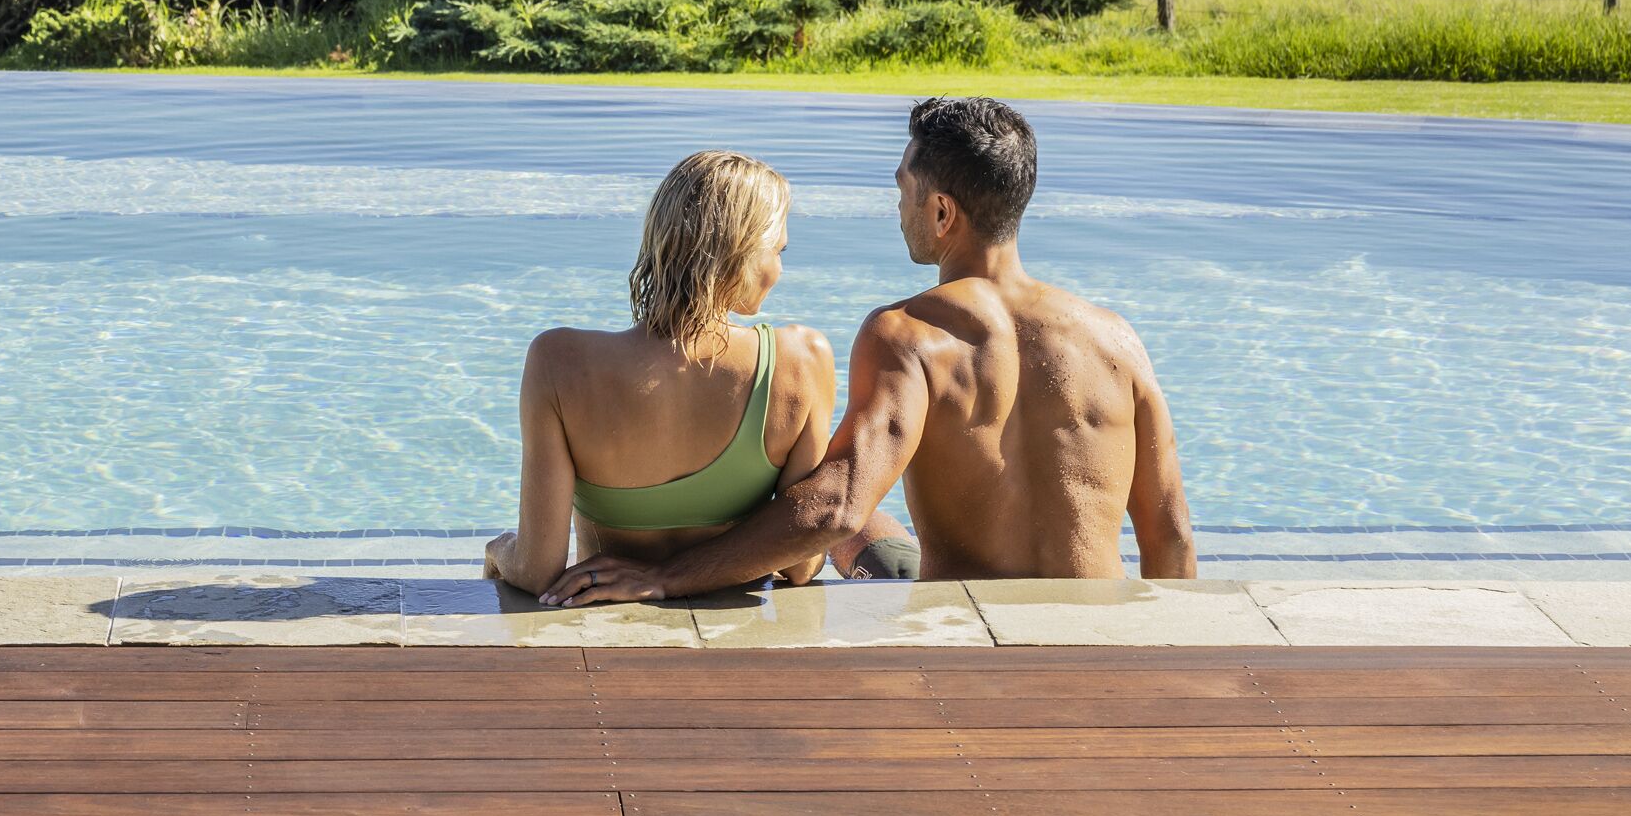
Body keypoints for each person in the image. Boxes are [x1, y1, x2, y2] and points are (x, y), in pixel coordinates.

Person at [542, 96, 1196, 603]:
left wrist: (669, 578)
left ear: (942, 213)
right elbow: (1170, 538)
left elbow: (834, 507)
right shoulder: (1116, 339)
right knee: (862, 517)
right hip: (1099, 636)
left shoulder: (909, 334)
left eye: (902, 188)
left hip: (970, 639)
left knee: (845, 510)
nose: (897, 205)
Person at [484, 150, 841, 597]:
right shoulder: (801, 360)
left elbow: (538, 570)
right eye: (777, 250)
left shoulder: (559, 362)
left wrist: (499, 549)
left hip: (604, 620)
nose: (780, 268)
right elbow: (802, 563)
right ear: (744, 252)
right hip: (730, 630)